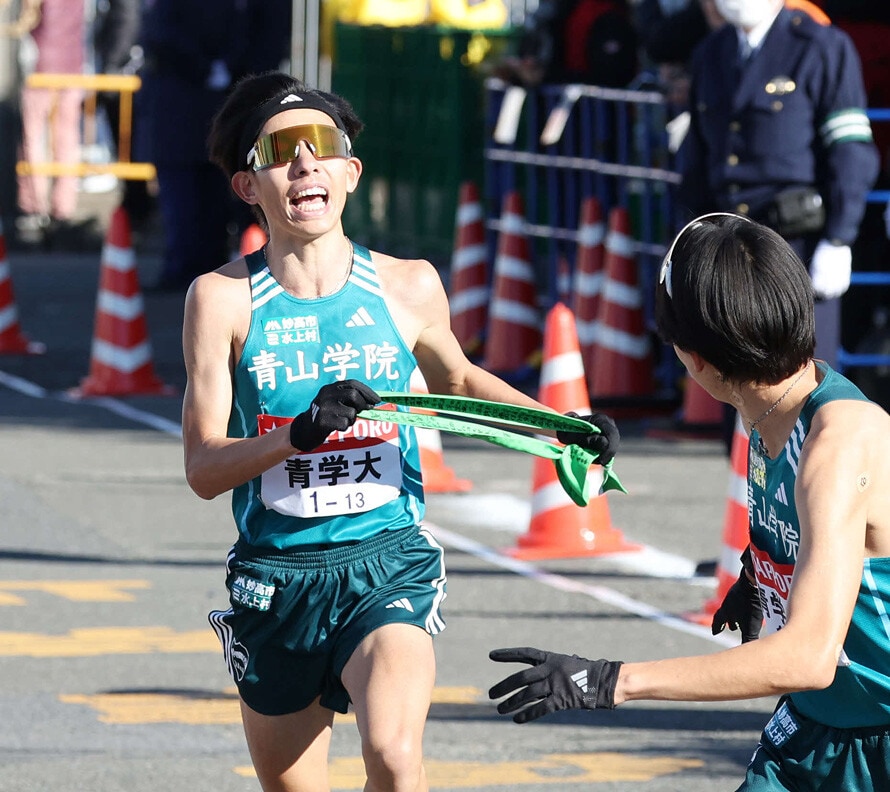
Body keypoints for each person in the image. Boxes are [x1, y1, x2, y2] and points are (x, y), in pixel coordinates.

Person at [182, 70, 620, 792]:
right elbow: (203, 468)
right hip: (277, 580)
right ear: (248, 186)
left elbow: (460, 382)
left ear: (350, 173)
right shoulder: (222, 300)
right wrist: (297, 436)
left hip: (388, 563)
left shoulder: (408, 284)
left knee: (393, 754)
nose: (304, 163)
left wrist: (561, 426)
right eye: (280, 151)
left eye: (321, 145)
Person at [488, 213, 890, 791]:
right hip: (816, 726)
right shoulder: (768, 414)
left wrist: (612, 681)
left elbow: (807, 657)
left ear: (694, 360)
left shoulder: (836, 443)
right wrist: (763, 578)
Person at [676, 0, 879, 373]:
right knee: (735, 377)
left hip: (796, 246)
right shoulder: (712, 52)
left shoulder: (819, 46)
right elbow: (698, 161)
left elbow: (850, 151)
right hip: (731, 247)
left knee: (801, 378)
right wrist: (693, 237)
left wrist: (839, 238)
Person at [6, 0, 90, 249]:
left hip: (38, 67)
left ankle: (34, 205)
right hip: (73, 65)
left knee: (31, 138)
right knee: (67, 140)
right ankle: (63, 206)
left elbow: (22, 24)